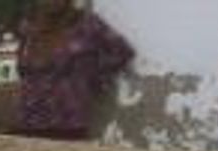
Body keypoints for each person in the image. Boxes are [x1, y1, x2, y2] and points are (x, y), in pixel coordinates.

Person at [15, 0, 133, 141]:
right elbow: (22, 65)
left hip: (66, 121)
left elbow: (122, 51)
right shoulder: (29, 25)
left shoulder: (87, 24)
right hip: (28, 118)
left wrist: (96, 79)